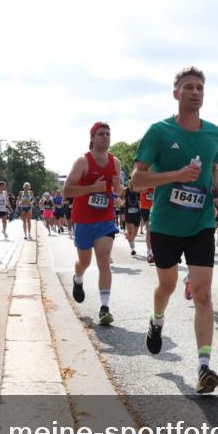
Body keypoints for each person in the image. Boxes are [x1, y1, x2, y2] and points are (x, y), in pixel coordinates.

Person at [131, 66, 218, 394]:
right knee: (167, 286)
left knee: (203, 293)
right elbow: (137, 179)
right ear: (176, 94)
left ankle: (204, 367)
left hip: (201, 222)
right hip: (165, 224)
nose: (195, 92)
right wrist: (175, 175)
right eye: (188, 87)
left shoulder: (214, 133)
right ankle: (157, 320)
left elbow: (214, 166)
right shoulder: (158, 132)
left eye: (200, 87)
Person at [64, 122, 125, 326]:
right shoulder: (82, 162)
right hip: (83, 219)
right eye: (101, 134)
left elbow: (119, 191)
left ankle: (105, 307)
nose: (105, 137)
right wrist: (91, 188)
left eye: (108, 134)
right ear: (92, 138)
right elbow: (67, 191)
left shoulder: (114, 162)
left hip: (105, 219)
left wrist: (117, 188)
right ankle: (78, 278)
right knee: (85, 262)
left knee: (104, 259)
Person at [122, 180, 142, 256]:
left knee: (135, 232)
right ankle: (132, 248)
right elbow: (120, 197)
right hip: (128, 213)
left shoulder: (139, 190)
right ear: (131, 183)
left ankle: (130, 239)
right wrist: (122, 202)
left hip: (137, 213)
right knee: (130, 231)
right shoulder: (126, 190)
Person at [139, 186, 155, 262]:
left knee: (156, 231)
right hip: (146, 209)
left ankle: (155, 251)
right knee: (149, 230)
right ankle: (150, 253)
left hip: (156, 208)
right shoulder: (145, 181)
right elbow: (141, 189)